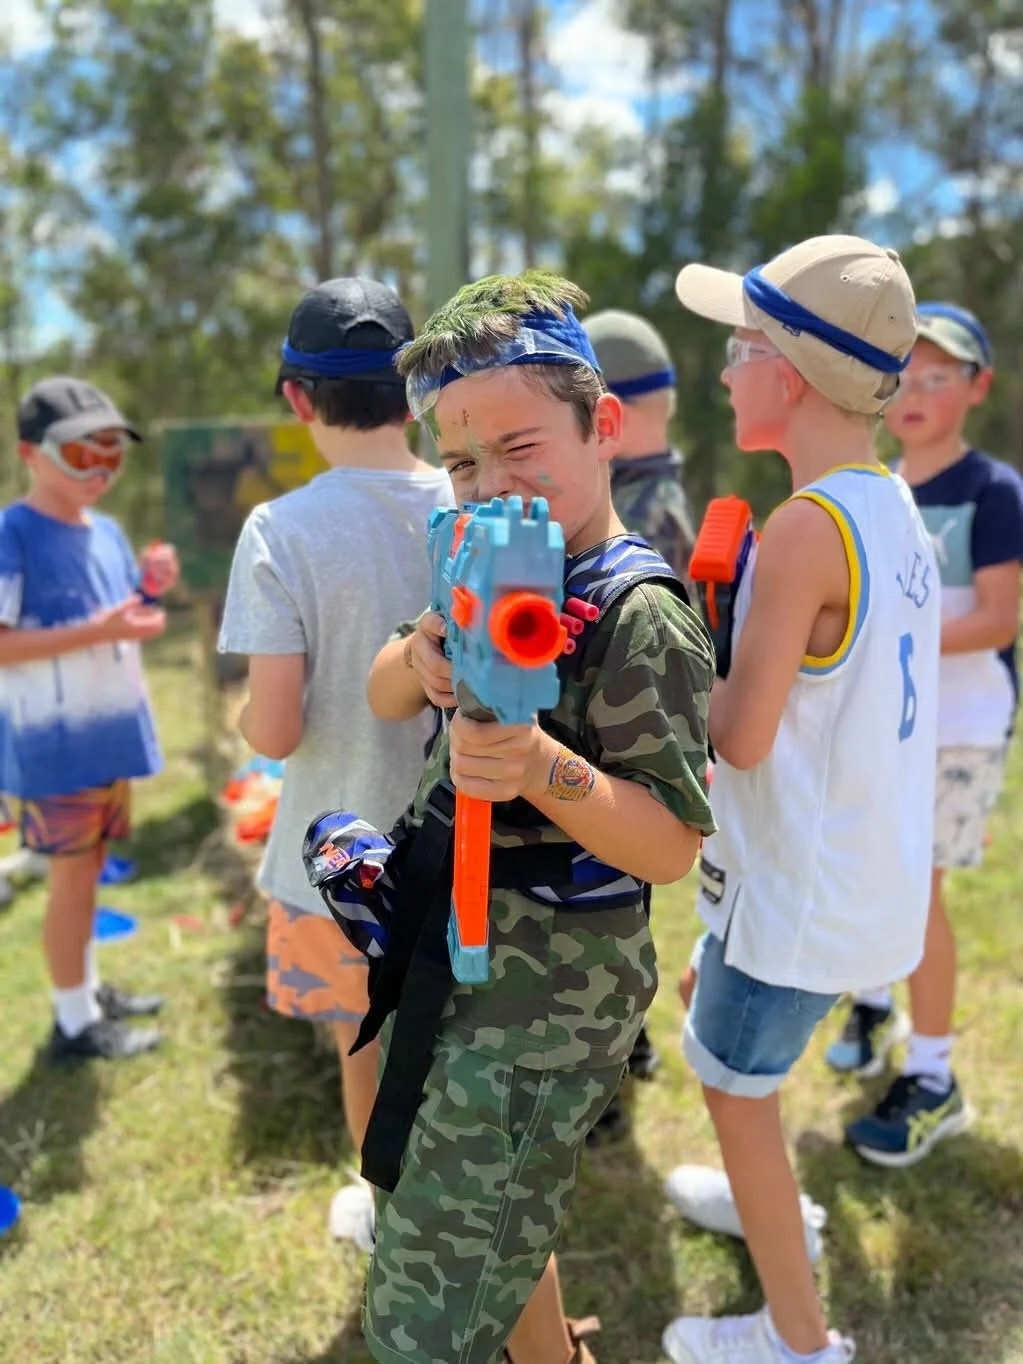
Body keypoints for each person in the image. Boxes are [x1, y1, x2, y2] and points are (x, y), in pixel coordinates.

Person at [356, 270, 715, 1364]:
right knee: (484, 1204)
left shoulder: (636, 614)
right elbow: (380, 691)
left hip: (551, 992)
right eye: (461, 463)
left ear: (602, 425)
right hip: (463, 952)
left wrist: (540, 765)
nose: (489, 482)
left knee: (424, 1315)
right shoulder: (483, 556)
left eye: (521, 449)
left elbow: (666, 841)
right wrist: (419, 656)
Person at [661, 235, 941, 1364]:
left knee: (730, 1083)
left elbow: (739, 731)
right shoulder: (889, 507)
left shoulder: (799, 528)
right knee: (714, 1018)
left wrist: (678, 646)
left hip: (798, 898)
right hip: (853, 884)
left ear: (789, 368)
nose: (725, 370)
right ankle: (761, 1199)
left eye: (738, 346)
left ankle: (799, 1335)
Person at [217, 277, 452, 1245]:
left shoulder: (280, 528)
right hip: (464, 848)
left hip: (338, 861)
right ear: (416, 393)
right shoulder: (471, 499)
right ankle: (462, 1193)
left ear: (296, 398)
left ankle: (389, 1201)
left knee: (366, 1036)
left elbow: (272, 730)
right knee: (451, 1041)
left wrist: (242, 713)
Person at [831, 303, 1023, 1166]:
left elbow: (993, 620)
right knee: (875, 866)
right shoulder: (876, 487)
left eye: (936, 377)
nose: (913, 394)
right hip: (890, 725)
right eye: (901, 376)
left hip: (960, 728)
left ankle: (936, 1077)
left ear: (976, 388)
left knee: (920, 892)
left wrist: (885, 632)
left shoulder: (992, 491)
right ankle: (874, 1003)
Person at [0, 377, 177, 1061]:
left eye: (112, 454)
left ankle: (88, 989)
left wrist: (148, 591)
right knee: (72, 882)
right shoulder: (13, 533)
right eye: (82, 454)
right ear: (30, 454)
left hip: (106, 738)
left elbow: (116, 618)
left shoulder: (105, 530)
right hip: (54, 746)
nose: (100, 469)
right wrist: (99, 628)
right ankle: (73, 1024)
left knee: (91, 869)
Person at [579, 308, 696, 1142]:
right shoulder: (666, 490)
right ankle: (633, 1045)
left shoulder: (635, 503)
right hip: (644, 735)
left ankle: (609, 1074)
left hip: (614, 738)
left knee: (604, 913)